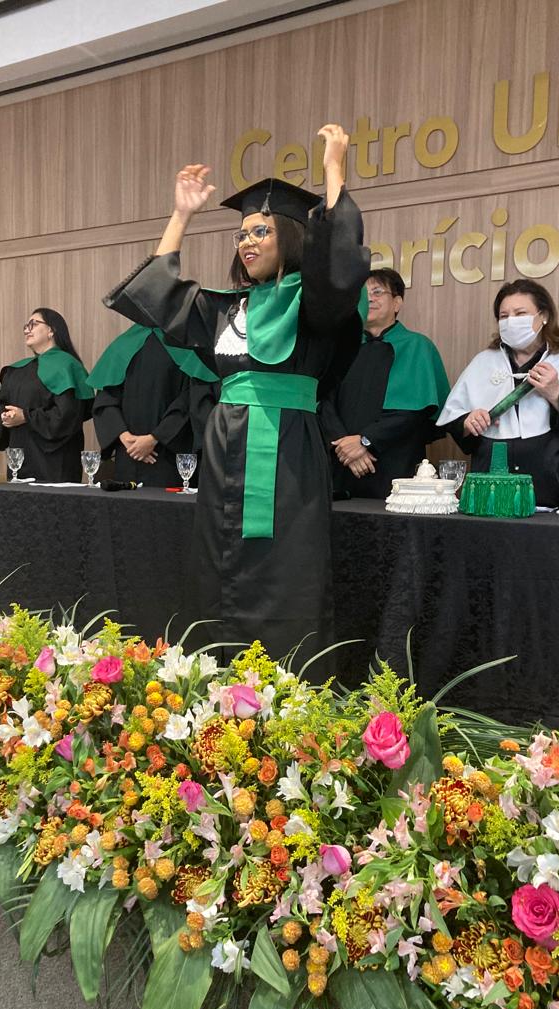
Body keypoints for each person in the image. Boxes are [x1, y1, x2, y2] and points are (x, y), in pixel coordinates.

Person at [104, 124, 370, 658]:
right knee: (219, 563)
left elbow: (339, 266)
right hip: (226, 451)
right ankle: (218, 678)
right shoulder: (226, 309)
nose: (247, 242)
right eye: (241, 234)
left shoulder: (313, 304)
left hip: (289, 452)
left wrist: (334, 171)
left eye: (261, 231)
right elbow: (158, 297)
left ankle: (286, 684)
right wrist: (181, 215)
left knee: (286, 567)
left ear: (290, 236)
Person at [437, 279, 559, 508]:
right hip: (493, 485)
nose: (511, 321)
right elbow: (455, 419)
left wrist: (556, 393)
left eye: (520, 313)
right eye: (504, 316)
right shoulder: (483, 362)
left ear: (544, 316)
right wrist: (468, 421)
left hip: (557, 483)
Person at [319, 268, 450, 498]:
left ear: (397, 303)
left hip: (395, 468)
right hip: (341, 466)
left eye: (377, 292)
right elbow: (323, 402)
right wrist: (344, 447)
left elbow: (413, 412)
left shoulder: (416, 346)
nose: (369, 299)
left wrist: (364, 442)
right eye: (363, 294)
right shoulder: (340, 346)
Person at [88, 324, 218, 487]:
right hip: (162, 452)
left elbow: (106, 399)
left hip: (137, 454)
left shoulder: (122, 344)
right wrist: (153, 438)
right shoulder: (188, 345)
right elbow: (191, 401)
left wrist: (128, 437)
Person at [0, 308, 94, 482]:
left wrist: (26, 417)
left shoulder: (67, 366)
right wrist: (4, 416)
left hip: (55, 462)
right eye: (26, 326)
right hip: (19, 461)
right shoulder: (16, 370)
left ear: (51, 330)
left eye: (34, 324)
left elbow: (68, 415)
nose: (27, 330)